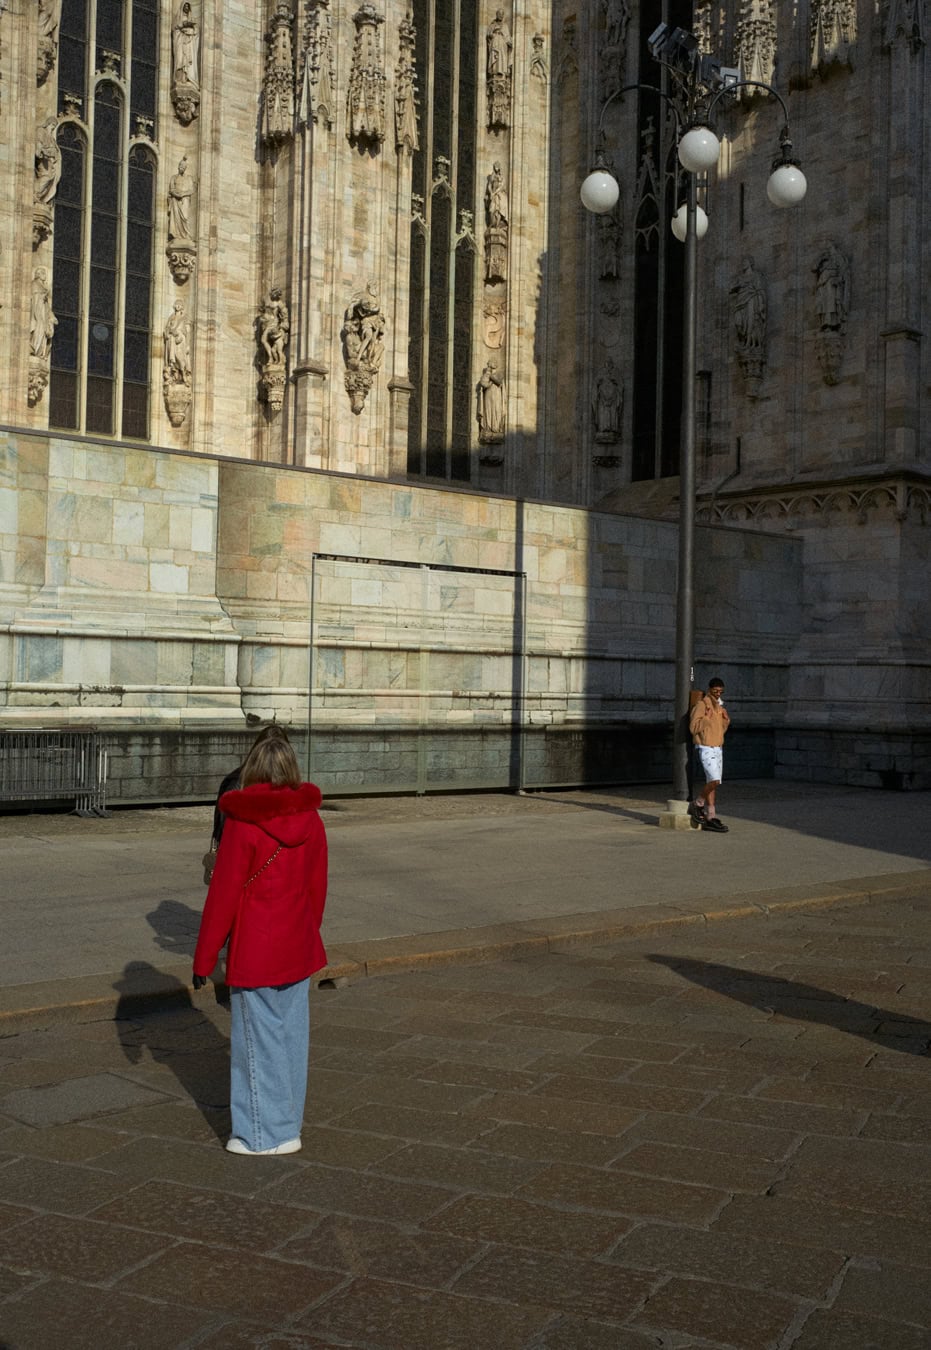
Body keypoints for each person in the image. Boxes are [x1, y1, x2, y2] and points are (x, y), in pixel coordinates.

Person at [192, 732, 328, 1155]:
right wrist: (306, 932)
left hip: (255, 949)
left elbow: (223, 897)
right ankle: (288, 1124)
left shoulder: (242, 825)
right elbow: (317, 889)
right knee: (291, 1040)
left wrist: (204, 958)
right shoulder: (312, 820)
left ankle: (262, 1136)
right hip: (297, 944)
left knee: (256, 1043)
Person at [688, 677, 731, 833]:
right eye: (716, 691)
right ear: (710, 689)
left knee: (713, 783)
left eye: (721, 691)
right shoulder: (702, 705)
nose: (718, 694)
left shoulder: (719, 706)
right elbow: (693, 728)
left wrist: (725, 721)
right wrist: (706, 718)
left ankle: (711, 816)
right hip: (706, 747)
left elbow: (719, 731)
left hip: (718, 747)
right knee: (714, 780)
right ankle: (698, 803)